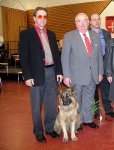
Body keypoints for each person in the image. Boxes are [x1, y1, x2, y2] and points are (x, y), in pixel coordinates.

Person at [19, 7, 63, 143]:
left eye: (45, 17)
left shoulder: (51, 34)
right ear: (34, 18)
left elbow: (56, 54)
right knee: (36, 106)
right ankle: (38, 131)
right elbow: (24, 57)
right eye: (40, 16)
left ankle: (50, 129)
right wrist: (27, 76)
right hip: (36, 74)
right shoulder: (26, 34)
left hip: (51, 72)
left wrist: (59, 71)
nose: (43, 19)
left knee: (51, 103)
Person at [61, 13, 103, 131]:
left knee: (89, 99)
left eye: (85, 20)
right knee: (76, 101)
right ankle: (77, 123)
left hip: (92, 75)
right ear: (75, 23)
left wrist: (100, 72)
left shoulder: (95, 35)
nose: (82, 23)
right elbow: (65, 58)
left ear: (89, 22)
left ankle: (88, 120)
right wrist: (66, 75)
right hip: (76, 76)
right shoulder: (69, 36)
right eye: (79, 21)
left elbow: (99, 56)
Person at [90, 13, 114, 119]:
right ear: (90, 22)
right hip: (92, 65)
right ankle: (95, 110)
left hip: (105, 64)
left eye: (98, 19)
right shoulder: (86, 34)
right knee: (93, 90)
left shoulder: (106, 33)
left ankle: (108, 110)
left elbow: (109, 50)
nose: (97, 21)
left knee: (106, 89)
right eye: (94, 20)